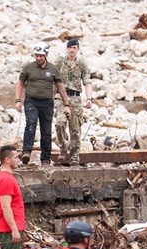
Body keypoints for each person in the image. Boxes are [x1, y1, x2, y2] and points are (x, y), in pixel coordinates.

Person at [15, 42, 73, 166]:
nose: (38, 58)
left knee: (46, 130)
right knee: (31, 124)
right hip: (31, 101)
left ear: (46, 55)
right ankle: (26, 152)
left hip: (47, 103)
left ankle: (45, 157)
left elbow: (60, 87)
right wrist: (18, 100)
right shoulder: (28, 67)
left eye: (41, 56)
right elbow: (20, 83)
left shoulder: (53, 69)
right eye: (36, 56)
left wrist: (66, 104)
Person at [54, 39, 92, 167]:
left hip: (75, 98)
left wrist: (89, 98)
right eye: (70, 47)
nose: (72, 50)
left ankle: (74, 156)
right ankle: (63, 147)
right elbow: (51, 78)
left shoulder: (82, 63)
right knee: (60, 122)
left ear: (78, 49)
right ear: (67, 49)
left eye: (74, 48)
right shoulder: (60, 61)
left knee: (75, 129)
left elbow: (87, 81)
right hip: (60, 96)